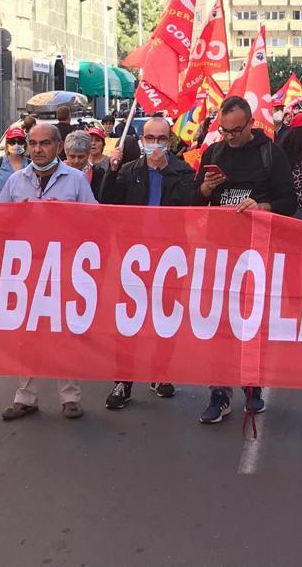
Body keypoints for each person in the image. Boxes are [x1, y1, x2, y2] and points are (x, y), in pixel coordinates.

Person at [195, 96, 296, 422]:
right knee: (220, 324)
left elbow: (290, 202)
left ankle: (252, 386)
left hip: (258, 253)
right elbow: (194, 202)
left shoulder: (271, 154)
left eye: (236, 131)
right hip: (221, 252)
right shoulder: (213, 153)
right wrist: (206, 189)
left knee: (251, 323)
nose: (230, 137)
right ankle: (219, 392)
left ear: (251, 123)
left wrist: (264, 207)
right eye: (224, 131)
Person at [0, 124, 98, 421]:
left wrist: (68, 214)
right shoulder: (16, 181)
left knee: (65, 331)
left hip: (65, 266)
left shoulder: (76, 180)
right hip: (27, 269)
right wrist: (16, 216)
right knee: (27, 334)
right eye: (33, 143)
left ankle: (70, 397)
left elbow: (97, 220)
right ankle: (25, 397)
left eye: (44, 143)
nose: (37, 149)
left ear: (58, 147)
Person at [101, 116, 197, 410]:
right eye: (150, 138)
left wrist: (166, 171)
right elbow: (108, 202)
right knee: (129, 319)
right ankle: (124, 380)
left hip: (170, 255)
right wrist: (111, 170)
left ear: (170, 141)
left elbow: (189, 204)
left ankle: (160, 373)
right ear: (141, 140)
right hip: (134, 255)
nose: (155, 144)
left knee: (165, 316)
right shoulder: (129, 169)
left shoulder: (183, 170)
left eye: (161, 138)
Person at [0, 126, 30, 203]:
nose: (16, 145)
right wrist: (8, 204)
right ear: (7, 144)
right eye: (12, 142)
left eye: (20, 142)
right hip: (2, 209)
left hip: (25, 208)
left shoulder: (30, 165)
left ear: (25, 144)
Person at [63, 131, 106, 200]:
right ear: (66, 154)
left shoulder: (97, 173)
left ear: (88, 154)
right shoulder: (59, 172)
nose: (76, 161)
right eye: (72, 156)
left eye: (81, 157)